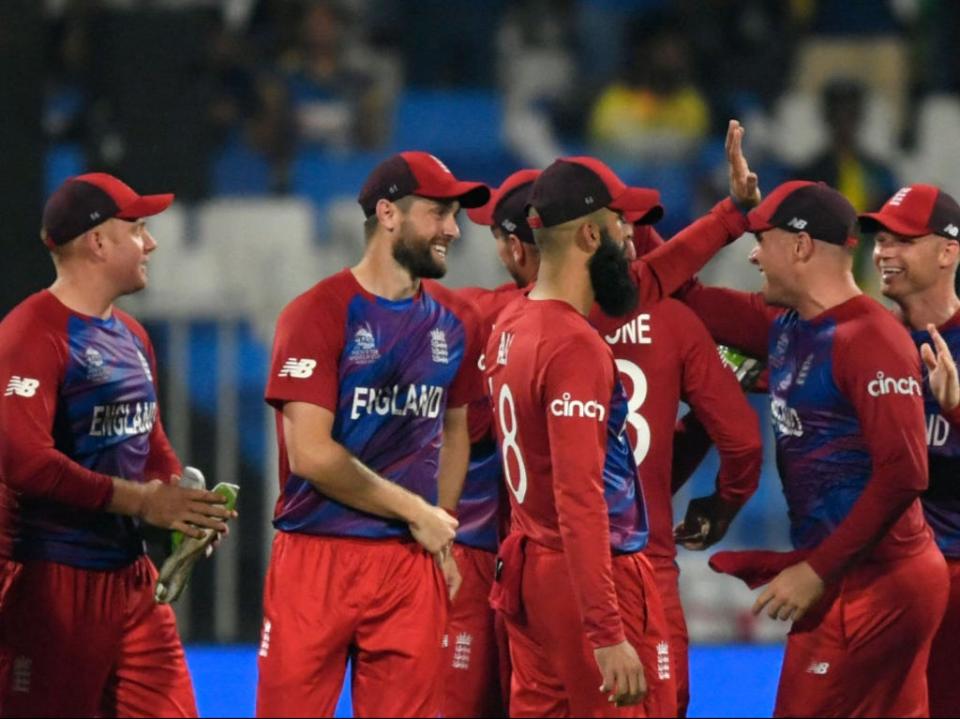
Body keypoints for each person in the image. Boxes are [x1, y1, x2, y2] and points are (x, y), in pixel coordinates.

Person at [484, 124, 761, 715]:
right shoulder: (576, 346)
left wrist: (732, 214)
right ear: (589, 235)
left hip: (528, 567)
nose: (635, 242)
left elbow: (655, 276)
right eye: (621, 228)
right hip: (595, 572)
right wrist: (607, 632)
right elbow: (580, 498)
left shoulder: (508, 325)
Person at [682, 180, 950, 717]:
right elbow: (681, 294)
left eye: (762, 239)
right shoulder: (786, 327)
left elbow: (905, 475)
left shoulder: (870, 340)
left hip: (876, 582)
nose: (753, 254)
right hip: (865, 574)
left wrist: (814, 571)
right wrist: (718, 214)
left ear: (802, 247)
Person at [256, 151, 489, 718]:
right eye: (439, 213)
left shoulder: (457, 321)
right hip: (317, 557)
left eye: (455, 215)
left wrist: (443, 524)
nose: (453, 230)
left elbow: (456, 426)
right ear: (388, 214)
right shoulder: (317, 313)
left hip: (410, 564)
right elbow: (311, 455)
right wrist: (419, 511)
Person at [0, 173, 234, 717]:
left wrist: (183, 508)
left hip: (132, 582)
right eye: (139, 229)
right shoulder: (31, 334)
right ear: (98, 242)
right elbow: (22, 461)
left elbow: (149, 444)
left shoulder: (131, 335)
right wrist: (145, 503)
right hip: (49, 583)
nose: (150, 243)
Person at [589, 210, 764, 717]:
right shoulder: (676, 321)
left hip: (548, 563)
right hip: (642, 563)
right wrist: (721, 503)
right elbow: (743, 441)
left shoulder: (522, 321)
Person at [436, 168, 540, 718]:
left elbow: (471, 431)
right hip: (584, 555)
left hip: (480, 549)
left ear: (514, 246)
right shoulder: (625, 309)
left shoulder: (479, 313)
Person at [859, 184, 960, 718]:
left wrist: (955, 410)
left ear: (950, 250)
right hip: (876, 572)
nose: (883, 252)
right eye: (881, 239)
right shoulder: (861, 338)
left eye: (904, 240)